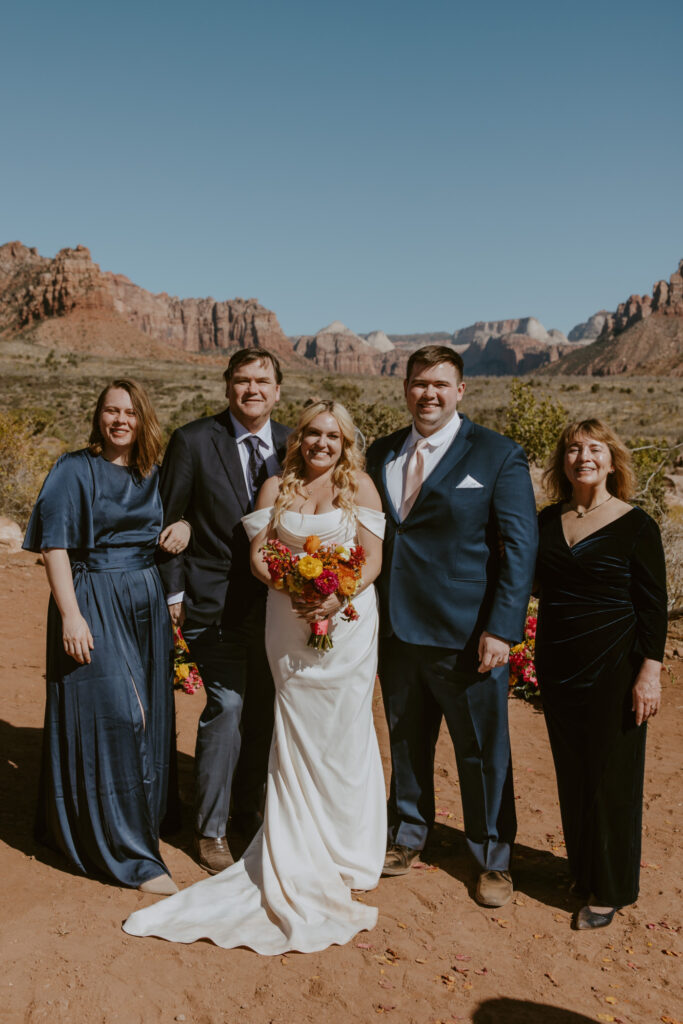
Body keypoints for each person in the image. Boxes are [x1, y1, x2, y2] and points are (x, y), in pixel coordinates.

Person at [123, 400, 387, 953]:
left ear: (345, 443)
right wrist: (297, 590)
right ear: (300, 439)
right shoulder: (275, 489)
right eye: (312, 433)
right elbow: (261, 557)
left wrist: (336, 595)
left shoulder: (358, 486)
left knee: (344, 729)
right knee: (292, 727)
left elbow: (372, 557)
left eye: (332, 437)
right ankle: (292, 836)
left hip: (347, 623)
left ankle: (348, 847)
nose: (320, 443)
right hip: (286, 621)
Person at [366, 345, 538, 908]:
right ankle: (408, 834)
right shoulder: (381, 452)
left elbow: (519, 546)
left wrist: (503, 627)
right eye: (419, 383)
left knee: (482, 751)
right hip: (395, 632)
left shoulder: (497, 454)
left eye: (440, 384)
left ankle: (492, 857)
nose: (429, 394)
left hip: (468, 636)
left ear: (461, 390)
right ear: (406, 388)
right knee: (407, 742)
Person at [23, 379, 190, 894]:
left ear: (144, 420)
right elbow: (54, 547)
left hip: (144, 598)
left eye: (131, 412)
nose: (120, 420)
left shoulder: (153, 474)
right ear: (98, 417)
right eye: (111, 411)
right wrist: (71, 615)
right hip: (91, 596)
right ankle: (125, 854)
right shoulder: (74, 468)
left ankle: (139, 819)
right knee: (118, 713)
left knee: (152, 718)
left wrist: (184, 527)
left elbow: (171, 528)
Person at [158, 348, 290, 874]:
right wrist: (174, 596)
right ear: (227, 387)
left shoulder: (295, 445)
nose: (252, 389)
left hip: (279, 608)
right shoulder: (193, 441)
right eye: (242, 380)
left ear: (278, 390)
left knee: (264, 713)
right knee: (228, 709)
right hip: (212, 606)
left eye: (262, 380)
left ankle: (248, 814)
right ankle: (210, 830)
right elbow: (168, 519)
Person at [535, 419, 667, 929]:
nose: (582, 456)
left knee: (612, 776)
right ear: (562, 462)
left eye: (594, 449)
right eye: (572, 449)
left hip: (617, 668)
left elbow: (655, 609)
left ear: (613, 460)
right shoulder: (548, 520)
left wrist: (648, 675)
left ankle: (610, 888)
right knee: (573, 773)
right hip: (559, 664)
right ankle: (584, 870)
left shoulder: (637, 526)